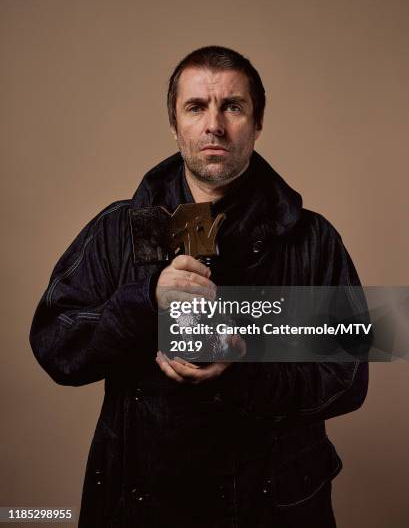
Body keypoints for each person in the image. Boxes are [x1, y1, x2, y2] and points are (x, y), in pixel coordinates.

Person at [30, 46, 368, 527]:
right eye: (196, 107)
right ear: (174, 123)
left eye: (232, 106)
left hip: (270, 506)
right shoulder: (117, 230)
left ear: (257, 121)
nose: (215, 125)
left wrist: (245, 363)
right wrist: (145, 300)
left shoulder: (312, 239)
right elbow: (55, 345)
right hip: (144, 505)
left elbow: (349, 377)